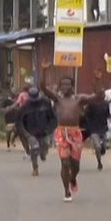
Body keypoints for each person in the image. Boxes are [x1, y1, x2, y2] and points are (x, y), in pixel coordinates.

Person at [40, 61, 99, 202]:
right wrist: (44, 71)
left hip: (76, 134)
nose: (65, 87)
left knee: (75, 165)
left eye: (68, 84)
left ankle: (73, 178)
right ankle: (66, 191)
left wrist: (97, 80)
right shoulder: (57, 99)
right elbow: (43, 88)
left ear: (72, 86)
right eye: (63, 84)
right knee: (65, 163)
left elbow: (97, 96)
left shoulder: (79, 99)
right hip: (62, 133)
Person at [16, 88, 56, 176]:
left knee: (45, 145)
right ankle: (35, 168)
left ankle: (43, 154)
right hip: (30, 131)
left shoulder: (46, 104)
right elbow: (19, 121)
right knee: (34, 148)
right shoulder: (24, 107)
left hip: (44, 130)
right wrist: (23, 132)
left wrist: (50, 128)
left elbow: (52, 117)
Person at [83, 86, 110, 171]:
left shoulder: (106, 104)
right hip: (93, 128)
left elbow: (107, 115)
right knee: (97, 146)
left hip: (103, 128)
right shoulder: (91, 104)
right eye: (101, 94)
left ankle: (102, 150)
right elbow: (86, 115)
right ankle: (99, 162)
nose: (103, 95)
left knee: (104, 147)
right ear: (97, 95)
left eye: (104, 94)